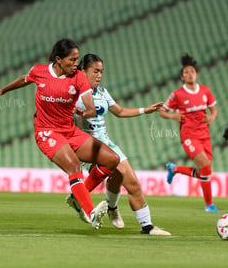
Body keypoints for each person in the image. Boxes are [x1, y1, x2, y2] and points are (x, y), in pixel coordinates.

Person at [0, 38, 120, 230]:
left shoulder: (79, 78)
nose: (76, 64)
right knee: (74, 166)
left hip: (70, 131)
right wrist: (3, 90)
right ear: (58, 59)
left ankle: (77, 197)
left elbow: (90, 107)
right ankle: (90, 213)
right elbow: (24, 79)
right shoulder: (40, 71)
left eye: (77, 60)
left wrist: (86, 112)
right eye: (72, 60)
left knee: (111, 160)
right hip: (47, 132)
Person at [66, 53, 171, 235]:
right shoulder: (71, 93)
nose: (99, 75)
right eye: (95, 71)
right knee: (118, 172)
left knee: (132, 183)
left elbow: (120, 111)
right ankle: (89, 201)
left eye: (101, 72)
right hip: (86, 146)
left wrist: (144, 110)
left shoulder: (102, 93)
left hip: (107, 144)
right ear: (83, 71)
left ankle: (146, 226)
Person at [159, 53, 219, 213]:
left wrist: (211, 117)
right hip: (189, 136)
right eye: (186, 72)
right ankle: (209, 205)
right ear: (182, 77)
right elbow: (162, 111)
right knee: (206, 167)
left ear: (196, 74)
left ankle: (175, 169)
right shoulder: (177, 94)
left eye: (192, 71)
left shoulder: (205, 91)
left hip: (205, 135)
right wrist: (173, 115)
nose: (189, 73)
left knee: (205, 171)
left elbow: (214, 110)